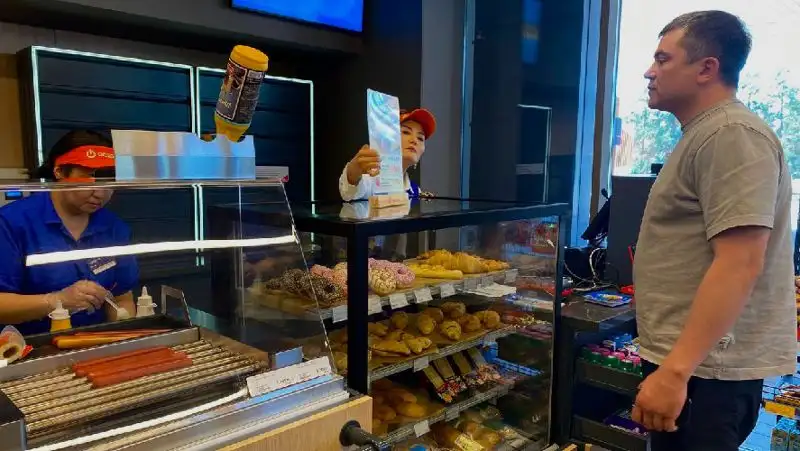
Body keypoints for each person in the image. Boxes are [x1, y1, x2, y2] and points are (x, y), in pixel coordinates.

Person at [631, 11, 795, 450]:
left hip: (706, 373)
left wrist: (675, 372)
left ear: (707, 68)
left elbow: (741, 262)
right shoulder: (705, 133)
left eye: (663, 59)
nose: (649, 72)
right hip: (695, 366)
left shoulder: (731, 134)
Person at [0, 130, 138, 335]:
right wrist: (56, 301)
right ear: (59, 171)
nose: (100, 193)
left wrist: (126, 336)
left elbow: (121, 297)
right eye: (88, 178)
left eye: (108, 182)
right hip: (30, 346)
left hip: (94, 342)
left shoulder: (113, 227)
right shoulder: (12, 223)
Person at [339, 108, 436, 201]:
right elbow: (350, 191)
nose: (414, 140)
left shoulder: (415, 191)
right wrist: (354, 171)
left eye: (420, 138)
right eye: (406, 132)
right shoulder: (372, 177)